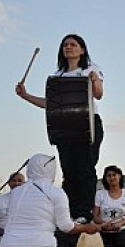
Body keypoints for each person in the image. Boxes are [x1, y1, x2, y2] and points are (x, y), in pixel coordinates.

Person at [15, 34, 104, 222]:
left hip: (88, 124)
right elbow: (50, 104)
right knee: (69, 171)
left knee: (85, 169)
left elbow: (98, 95)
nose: (68, 47)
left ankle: (84, 212)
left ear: (82, 50)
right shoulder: (57, 77)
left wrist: (95, 81)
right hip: (64, 126)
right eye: (65, 45)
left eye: (73, 44)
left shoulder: (90, 69)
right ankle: (69, 212)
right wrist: (26, 96)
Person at [0, 154, 100, 247]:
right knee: (62, 239)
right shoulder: (56, 192)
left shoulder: (16, 192)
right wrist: (86, 228)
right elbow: (66, 227)